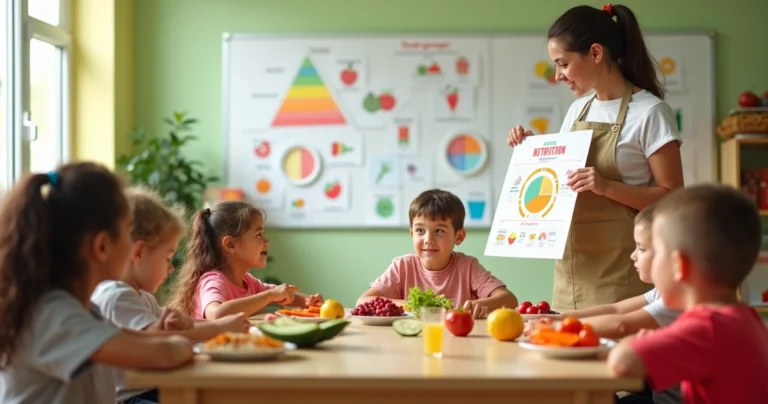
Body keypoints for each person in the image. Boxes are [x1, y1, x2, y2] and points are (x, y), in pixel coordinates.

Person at [507, 3, 684, 311]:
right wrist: (535, 151)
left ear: (596, 53)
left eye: (562, 63)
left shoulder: (650, 112)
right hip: (573, 267)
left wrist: (606, 186)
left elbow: (672, 198)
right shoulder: (578, 109)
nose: (558, 75)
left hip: (623, 269)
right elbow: (563, 181)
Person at [0, 163, 193, 404]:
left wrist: (166, 334)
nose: (132, 243)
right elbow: (164, 355)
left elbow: (132, 338)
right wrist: (177, 343)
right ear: (101, 246)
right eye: (128, 231)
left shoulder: (81, 310)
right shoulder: (52, 315)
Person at [607, 184, 768, 403]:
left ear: (678, 266)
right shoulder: (746, 319)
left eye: (657, 252)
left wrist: (642, 340)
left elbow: (622, 363)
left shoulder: (706, 327)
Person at [91, 186, 251, 404]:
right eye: (167, 258)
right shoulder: (116, 295)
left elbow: (177, 328)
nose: (171, 268)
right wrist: (220, 328)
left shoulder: (142, 296)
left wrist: (188, 323)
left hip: (150, 389)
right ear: (138, 252)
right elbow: (157, 343)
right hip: (130, 399)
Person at [357, 189, 518, 318]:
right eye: (420, 230)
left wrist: (482, 304)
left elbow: (509, 300)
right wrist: (417, 306)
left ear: (459, 236)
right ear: (412, 234)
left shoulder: (467, 267)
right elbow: (363, 301)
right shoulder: (402, 266)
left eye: (439, 231)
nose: (428, 239)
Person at [167, 201, 323, 319]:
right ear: (230, 244)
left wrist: (311, 302)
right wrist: (270, 296)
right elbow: (216, 314)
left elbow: (286, 296)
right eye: (259, 234)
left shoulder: (249, 283)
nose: (267, 241)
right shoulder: (213, 280)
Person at [552, 204, 681, 339]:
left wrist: (556, 327)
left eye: (642, 249)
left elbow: (622, 325)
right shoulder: (661, 292)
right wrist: (556, 318)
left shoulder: (676, 298)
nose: (633, 255)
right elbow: (615, 309)